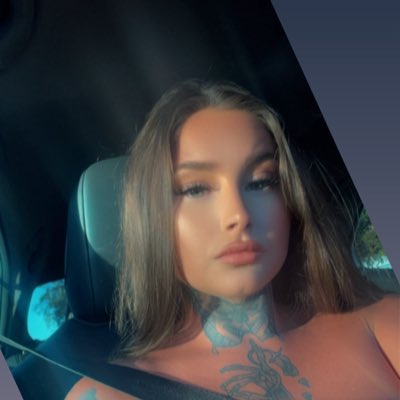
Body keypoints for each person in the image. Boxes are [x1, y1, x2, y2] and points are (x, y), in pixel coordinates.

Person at [66, 81, 399, 400]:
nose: (238, 214)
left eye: (261, 182)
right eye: (195, 189)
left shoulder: (382, 325)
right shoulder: (111, 393)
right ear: (152, 219)